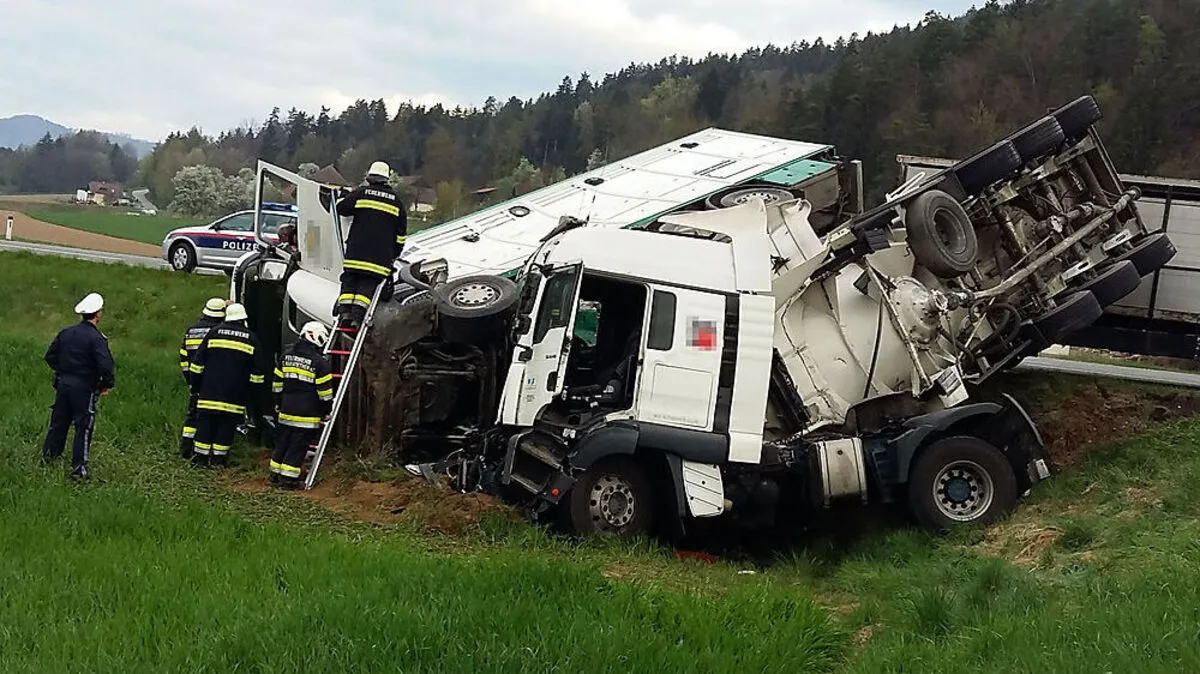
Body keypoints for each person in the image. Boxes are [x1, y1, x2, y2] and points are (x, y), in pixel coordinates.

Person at [42, 292, 115, 481]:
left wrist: (63, 371)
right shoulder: (98, 339)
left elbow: (50, 356)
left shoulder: (66, 332)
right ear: (97, 314)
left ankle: (48, 458)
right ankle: (78, 470)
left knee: (58, 423)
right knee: (83, 428)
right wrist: (106, 385)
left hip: (63, 385)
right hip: (84, 389)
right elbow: (106, 366)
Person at [189, 303, 266, 468]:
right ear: (243, 319)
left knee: (205, 425)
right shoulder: (251, 339)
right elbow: (258, 374)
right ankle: (218, 461)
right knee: (225, 428)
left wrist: (196, 386)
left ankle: (200, 460)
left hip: (208, 393)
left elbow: (197, 364)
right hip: (234, 396)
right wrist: (252, 396)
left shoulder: (214, 333)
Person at [333, 161, 407, 327]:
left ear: (369, 177)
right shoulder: (397, 202)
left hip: (356, 254)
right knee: (367, 285)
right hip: (379, 259)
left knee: (350, 281)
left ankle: (345, 313)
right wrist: (394, 254)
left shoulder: (361, 193)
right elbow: (401, 235)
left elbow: (341, 208)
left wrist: (342, 195)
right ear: (387, 179)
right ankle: (357, 317)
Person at [269, 321, 334, 489]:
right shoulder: (319, 363)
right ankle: (288, 480)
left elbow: (277, 383)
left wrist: (277, 402)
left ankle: (274, 474)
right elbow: (324, 393)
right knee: (297, 447)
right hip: (307, 414)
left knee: (282, 443)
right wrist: (327, 410)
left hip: (286, 409)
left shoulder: (286, 356)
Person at [178, 297, 227, 459]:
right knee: (210, 417)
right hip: (213, 383)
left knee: (192, 414)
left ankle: (185, 448)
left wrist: (190, 380)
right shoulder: (219, 332)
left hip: (194, 380)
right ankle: (209, 453)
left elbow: (184, 357)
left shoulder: (192, 330)